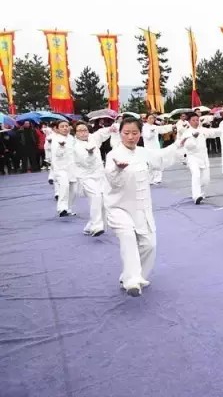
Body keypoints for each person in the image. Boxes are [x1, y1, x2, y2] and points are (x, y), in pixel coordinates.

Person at [104, 117, 184, 297]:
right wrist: (118, 169)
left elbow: (162, 158)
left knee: (149, 245)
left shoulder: (143, 152)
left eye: (134, 133)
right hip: (119, 207)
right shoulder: (113, 155)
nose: (130, 137)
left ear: (140, 134)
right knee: (128, 237)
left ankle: (135, 276)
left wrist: (178, 145)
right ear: (120, 133)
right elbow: (113, 181)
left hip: (141, 207)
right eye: (126, 133)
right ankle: (131, 281)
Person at [73, 121, 113, 236]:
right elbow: (85, 162)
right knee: (96, 197)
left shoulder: (92, 138)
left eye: (85, 130)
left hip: (99, 175)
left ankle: (89, 226)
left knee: (103, 199)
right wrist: (90, 154)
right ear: (75, 133)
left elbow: (101, 133)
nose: (83, 133)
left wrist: (112, 128)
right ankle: (96, 226)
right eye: (80, 131)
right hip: (85, 177)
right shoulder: (75, 145)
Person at [182, 112, 222, 204]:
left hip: (203, 157)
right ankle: (196, 196)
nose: (196, 122)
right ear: (189, 121)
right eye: (193, 120)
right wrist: (194, 138)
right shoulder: (187, 133)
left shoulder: (202, 130)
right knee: (196, 175)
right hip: (192, 157)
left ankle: (201, 193)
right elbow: (187, 146)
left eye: (197, 120)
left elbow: (214, 132)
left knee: (206, 179)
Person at [51, 120, 77, 217]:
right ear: (57, 129)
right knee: (64, 187)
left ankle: (68, 208)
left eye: (66, 126)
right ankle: (62, 209)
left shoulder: (71, 138)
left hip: (72, 167)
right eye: (62, 126)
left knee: (73, 190)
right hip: (60, 168)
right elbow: (57, 154)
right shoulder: (55, 139)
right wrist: (61, 147)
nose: (65, 128)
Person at [142, 114, 175, 184]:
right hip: (148, 148)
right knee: (150, 163)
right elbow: (147, 136)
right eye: (150, 118)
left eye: (153, 118)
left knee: (158, 162)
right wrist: (152, 131)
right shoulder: (144, 127)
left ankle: (158, 178)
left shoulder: (155, 126)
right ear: (146, 119)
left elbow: (162, 129)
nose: (151, 120)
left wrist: (172, 126)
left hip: (156, 147)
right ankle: (150, 179)